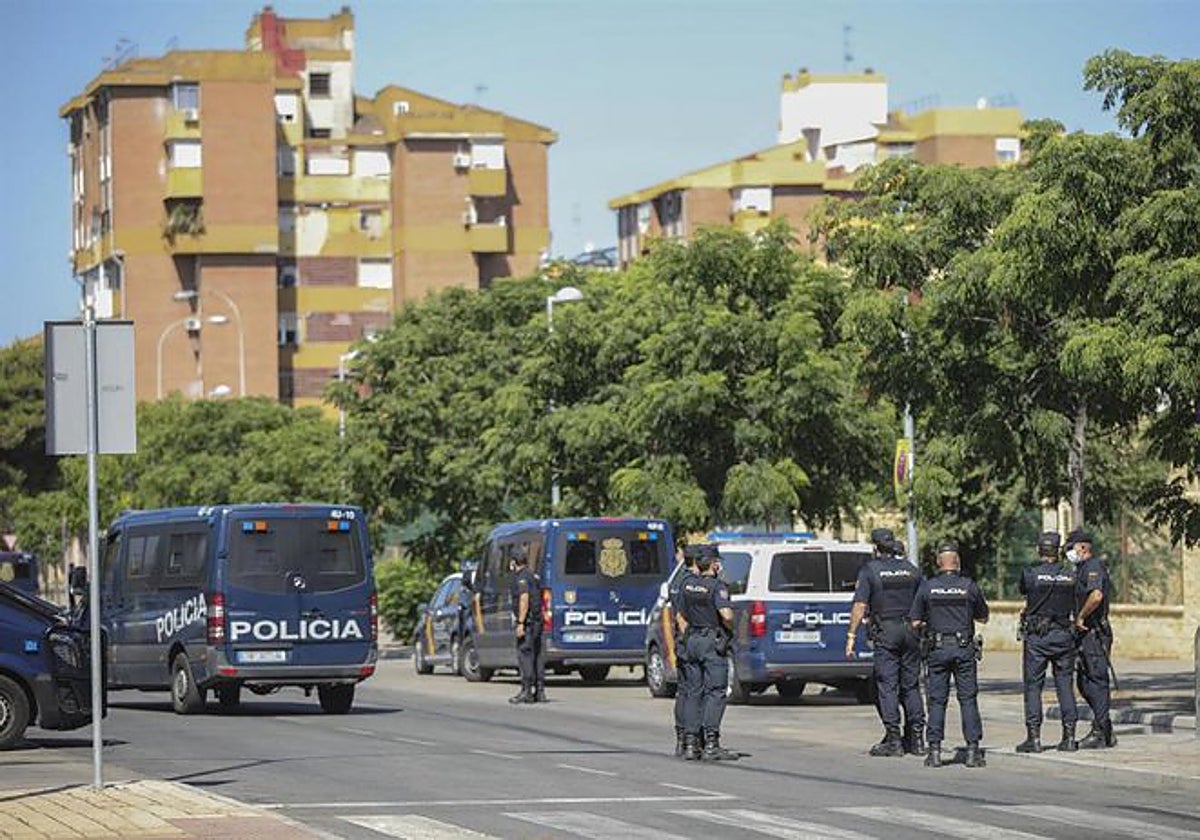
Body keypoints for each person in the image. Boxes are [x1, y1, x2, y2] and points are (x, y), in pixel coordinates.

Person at [909, 540, 989, 769]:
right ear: (957, 562)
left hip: (937, 649)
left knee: (937, 701)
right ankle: (973, 752)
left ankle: (934, 752)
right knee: (968, 700)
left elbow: (914, 621)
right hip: (963, 649)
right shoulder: (969, 586)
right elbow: (983, 617)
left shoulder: (927, 587)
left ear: (938, 562)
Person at [847, 527, 925, 757]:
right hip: (911, 631)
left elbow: (860, 606)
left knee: (887, 686)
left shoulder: (870, 571)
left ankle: (894, 740)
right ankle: (917, 739)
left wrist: (851, 636)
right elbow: (925, 600)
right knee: (911, 686)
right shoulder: (912, 571)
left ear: (875, 548)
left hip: (886, 633)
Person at [1016, 531, 1078, 752]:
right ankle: (1070, 737)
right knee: (1065, 685)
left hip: (1037, 637)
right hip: (1063, 635)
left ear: (1038, 550)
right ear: (1059, 550)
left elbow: (1024, 590)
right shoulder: (1071, 575)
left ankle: (1034, 739)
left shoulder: (1030, 574)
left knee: (1033, 687)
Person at [678, 544, 738, 761]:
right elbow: (727, 615)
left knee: (693, 691)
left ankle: (691, 743)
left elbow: (681, 615)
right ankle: (711, 742)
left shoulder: (687, 585)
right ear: (713, 564)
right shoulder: (716, 586)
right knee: (716, 691)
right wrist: (729, 629)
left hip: (692, 639)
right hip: (710, 641)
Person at [1068, 528, 1117, 749]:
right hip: (1084, 634)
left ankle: (1100, 732)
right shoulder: (1081, 569)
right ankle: (1105, 727)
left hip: (1095, 633)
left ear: (1083, 547)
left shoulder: (1093, 566)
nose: (1069, 552)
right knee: (1084, 682)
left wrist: (1081, 616)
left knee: (1096, 681)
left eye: (1071, 548)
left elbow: (1096, 596)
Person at [669, 545, 699, 757]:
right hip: (689, 639)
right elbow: (682, 617)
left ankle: (682, 739)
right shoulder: (689, 583)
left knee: (684, 692)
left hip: (681, 640)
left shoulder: (676, 580)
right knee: (693, 692)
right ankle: (690, 739)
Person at [508, 546, 545, 705]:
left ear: (514, 562)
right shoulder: (533, 576)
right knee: (537, 656)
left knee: (525, 655)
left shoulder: (521, 577)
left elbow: (524, 598)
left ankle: (526, 691)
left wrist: (520, 622)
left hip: (528, 622)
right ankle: (540, 691)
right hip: (537, 622)